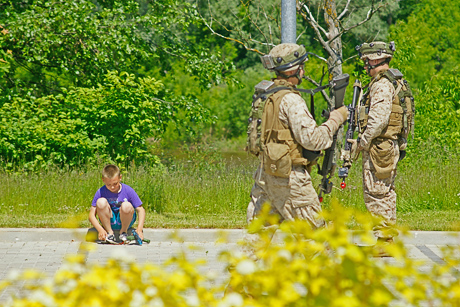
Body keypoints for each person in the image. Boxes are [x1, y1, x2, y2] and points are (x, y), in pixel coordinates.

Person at [246, 43, 349, 229]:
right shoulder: (291, 99)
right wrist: (336, 119)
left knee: (258, 241)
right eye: (302, 67)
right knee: (317, 239)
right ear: (296, 70)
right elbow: (313, 140)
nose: (303, 71)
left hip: (265, 174)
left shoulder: (264, 95)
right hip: (289, 178)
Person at [351, 41, 414, 252]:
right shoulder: (394, 81)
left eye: (368, 60)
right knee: (384, 191)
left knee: (377, 192)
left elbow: (378, 120)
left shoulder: (382, 85)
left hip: (380, 146)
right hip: (387, 145)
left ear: (378, 59)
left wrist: (362, 142)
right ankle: (385, 240)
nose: (366, 64)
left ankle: (384, 242)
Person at [88, 164, 146, 243]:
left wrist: (139, 229)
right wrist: (100, 229)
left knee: (126, 205)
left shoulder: (128, 190)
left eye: (115, 184)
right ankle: (110, 234)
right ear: (103, 180)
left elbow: (141, 210)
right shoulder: (101, 191)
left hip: (125, 220)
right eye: (108, 184)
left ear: (120, 178)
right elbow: (91, 215)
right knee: (100, 202)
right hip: (109, 221)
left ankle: (123, 233)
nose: (112, 187)